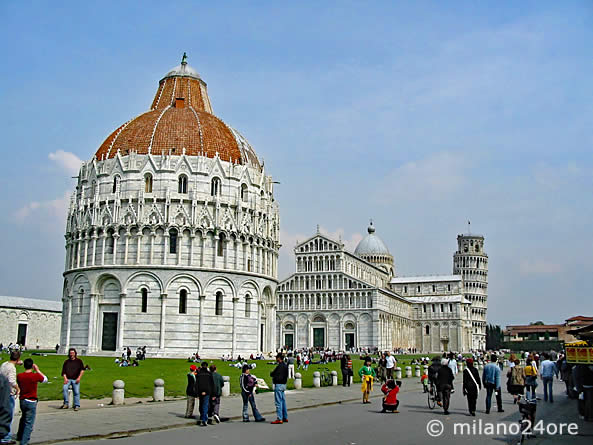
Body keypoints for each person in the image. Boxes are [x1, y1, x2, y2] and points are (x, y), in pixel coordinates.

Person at [16, 359, 47, 445]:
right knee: (29, 423)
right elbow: (45, 379)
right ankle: (24, 442)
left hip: (22, 400)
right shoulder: (35, 376)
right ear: (32, 365)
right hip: (31, 401)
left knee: (23, 418)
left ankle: (19, 435)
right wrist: (37, 370)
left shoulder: (19, 376)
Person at [0, 350, 20, 444]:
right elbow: (12, 381)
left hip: (1, 391)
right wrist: (18, 388)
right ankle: (6, 437)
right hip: (9, 393)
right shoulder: (12, 368)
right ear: (18, 358)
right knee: (8, 415)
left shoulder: (4, 364)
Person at [270, 353, 288, 424]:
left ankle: (279, 418)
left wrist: (273, 376)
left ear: (279, 358)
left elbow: (274, 374)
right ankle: (285, 417)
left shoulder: (279, 366)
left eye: (276, 357)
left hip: (279, 385)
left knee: (278, 402)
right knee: (283, 401)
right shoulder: (285, 365)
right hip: (284, 384)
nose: (276, 359)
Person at [195, 362, 214, 427]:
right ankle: (204, 419)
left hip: (200, 391)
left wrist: (197, 393)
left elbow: (196, 384)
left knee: (201, 404)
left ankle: (202, 416)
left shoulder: (198, 374)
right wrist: (212, 393)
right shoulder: (209, 374)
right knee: (205, 405)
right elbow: (211, 385)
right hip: (207, 391)